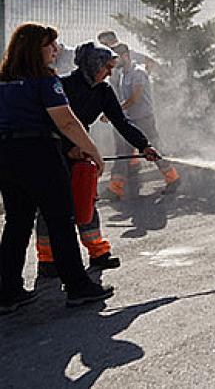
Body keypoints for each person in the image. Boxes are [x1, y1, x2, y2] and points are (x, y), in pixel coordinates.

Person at [0, 23, 114, 313]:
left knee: (17, 222)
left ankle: (8, 290)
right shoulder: (45, 81)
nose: (56, 50)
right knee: (61, 219)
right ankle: (77, 286)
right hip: (39, 154)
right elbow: (66, 121)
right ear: (34, 49)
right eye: (50, 45)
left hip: (6, 156)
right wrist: (93, 151)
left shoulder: (2, 80)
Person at [34, 42, 163, 278]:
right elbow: (47, 123)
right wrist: (68, 148)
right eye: (107, 67)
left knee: (86, 200)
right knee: (50, 207)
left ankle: (98, 253)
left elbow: (121, 122)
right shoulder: (62, 86)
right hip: (53, 151)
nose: (110, 73)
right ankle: (47, 259)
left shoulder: (103, 91)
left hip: (80, 150)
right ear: (93, 65)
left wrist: (144, 145)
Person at [108, 43, 179, 199]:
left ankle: (173, 178)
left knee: (155, 150)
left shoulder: (138, 73)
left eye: (115, 58)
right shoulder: (122, 74)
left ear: (125, 56)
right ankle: (115, 188)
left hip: (144, 120)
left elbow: (135, 98)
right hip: (130, 120)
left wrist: (114, 112)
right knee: (123, 153)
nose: (113, 62)